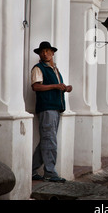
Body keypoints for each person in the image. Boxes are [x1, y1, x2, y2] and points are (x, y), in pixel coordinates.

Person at [31, 41, 72, 183]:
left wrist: (65, 88)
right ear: (39, 54)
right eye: (42, 51)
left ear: (52, 53)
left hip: (55, 107)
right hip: (47, 108)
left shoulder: (55, 69)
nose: (45, 54)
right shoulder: (38, 68)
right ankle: (49, 172)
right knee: (50, 141)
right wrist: (55, 85)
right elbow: (36, 87)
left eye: (48, 51)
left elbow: (55, 87)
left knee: (46, 140)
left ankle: (31, 169)